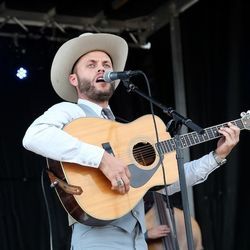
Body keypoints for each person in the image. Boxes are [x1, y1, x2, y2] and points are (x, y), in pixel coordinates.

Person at [22, 32, 240, 250]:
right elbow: (34, 136)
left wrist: (217, 157)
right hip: (97, 241)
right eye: (91, 64)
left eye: (106, 64)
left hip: (137, 241)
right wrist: (101, 159)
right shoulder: (70, 111)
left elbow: (167, 184)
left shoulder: (121, 129)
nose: (102, 68)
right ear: (74, 79)